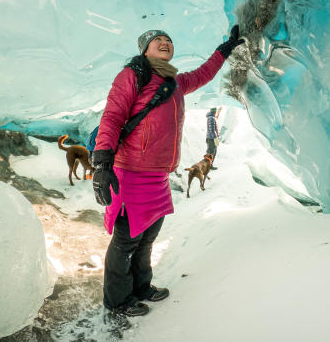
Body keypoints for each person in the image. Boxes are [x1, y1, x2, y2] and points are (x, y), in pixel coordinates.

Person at [92, 25, 245, 317]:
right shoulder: (133, 76)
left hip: (158, 176)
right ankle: (117, 300)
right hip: (131, 172)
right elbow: (112, 117)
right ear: (144, 49)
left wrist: (224, 50)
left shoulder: (174, 82)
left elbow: (203, 74)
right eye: (157, 40)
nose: (164, 42)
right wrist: (102, 163)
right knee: (126, 240)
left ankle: (141, 287)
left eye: (168, 40)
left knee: (148, 236)